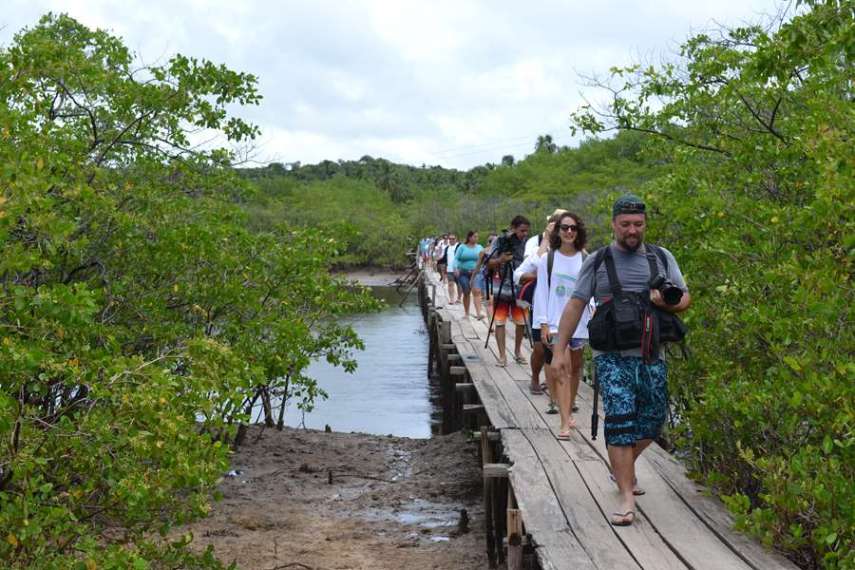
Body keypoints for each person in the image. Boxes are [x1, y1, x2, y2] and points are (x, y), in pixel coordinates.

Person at [552, 195, 691, 527]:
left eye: (638, 225)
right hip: (612, 358)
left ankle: (621, 470)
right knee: (619, 422)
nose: (632, 230)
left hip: (651, 356)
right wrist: (559, 351)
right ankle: (627, 497)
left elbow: (685, 298)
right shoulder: (598, 261)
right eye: (626, 224)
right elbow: (575, 304)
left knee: (653, 420)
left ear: (645, 224)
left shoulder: (662, 257)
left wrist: (665, 302)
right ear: (614, 224)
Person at [533, 211, 592, 440]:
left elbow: (591, 290)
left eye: (573, 228)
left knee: (575, 369)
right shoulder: (547, 260)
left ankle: (569, 406)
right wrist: (543, 324)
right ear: (557, 231)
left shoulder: (586, 259)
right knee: (562, 369)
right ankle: (564, 422)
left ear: (578, 232)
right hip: (557, 323)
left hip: (581, 324)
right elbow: (542, 293)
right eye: (564, 227)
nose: (569, 232)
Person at [515, 211, 565, 399]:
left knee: (564, 349)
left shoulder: (570, 242)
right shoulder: (534, 243)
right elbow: (533, 265)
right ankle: (536, 376)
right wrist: (546, 238)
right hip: (541, 302)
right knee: (540, 348)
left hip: (563, 303)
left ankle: (560, 392)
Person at [487, 216, 530, 367]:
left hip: (521, 288)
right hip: (501, 287)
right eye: (521, 230)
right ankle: (502, 355)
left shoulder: (528, 243)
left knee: (521, 322)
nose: (524, 234)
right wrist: (500, 260)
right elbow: (488, 262)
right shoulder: (499, 241)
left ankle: (518, 351)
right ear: (513, 227)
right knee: (500, 322)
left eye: (526, 231)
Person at [454, 231, 484, 318]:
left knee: (477, 291)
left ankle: (479, 313)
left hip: (476, 273)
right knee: (466, 292)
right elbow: (456, 259)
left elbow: (484, 259)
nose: (476, 238)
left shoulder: (480, 247)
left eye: (477, 237)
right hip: (463, 273)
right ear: (469, 237)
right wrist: (455, 268)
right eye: (475, 236)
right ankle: (466, 313)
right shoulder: (462, 247)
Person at [471, 233, 497, 320]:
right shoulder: (483, 251)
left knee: (490, 300)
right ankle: (479, 313)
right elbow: (478, 266)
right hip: (482, 275)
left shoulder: (499, 253)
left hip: (492, 277)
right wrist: (473, 278)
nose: (491, 243)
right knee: (480, 295)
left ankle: (491, 322)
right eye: (490, 241)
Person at [445, 234, 460, 304]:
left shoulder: (459, 247)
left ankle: (459, 298)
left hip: (458, 269)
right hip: (449, 269)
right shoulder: (447, 248)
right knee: (450, 284)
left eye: (453, 238)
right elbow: (445, 258)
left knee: (459, 284)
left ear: (456, 239)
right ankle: (451, 299)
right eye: (450, 239)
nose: (451, 240)